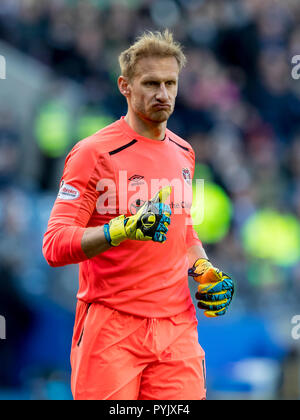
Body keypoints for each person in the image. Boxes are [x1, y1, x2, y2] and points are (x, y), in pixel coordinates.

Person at [43, 30, 234, 401]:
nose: (163, 93)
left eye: (170, 83)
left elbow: (186, 234)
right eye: (151, 83)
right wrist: (120, 230)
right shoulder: (92, 153)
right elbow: (54, 245)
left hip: (177, 328)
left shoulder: (184, 153)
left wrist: (205, 271)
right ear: (125, 86)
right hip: (112, 328)